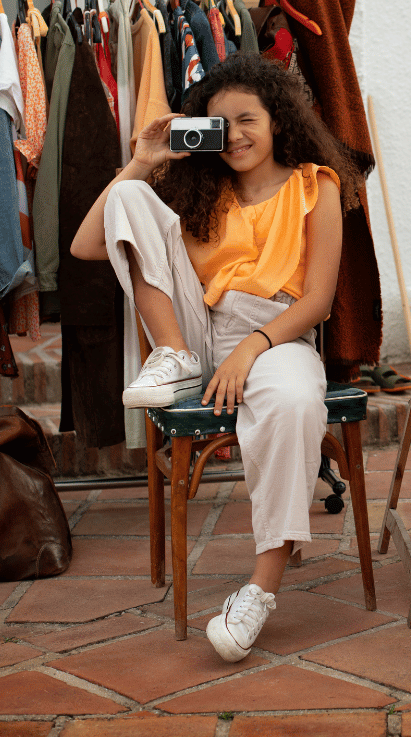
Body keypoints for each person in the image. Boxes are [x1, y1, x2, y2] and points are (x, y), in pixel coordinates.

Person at [71, 52, 360, 662]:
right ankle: (170, 355)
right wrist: (142, 162)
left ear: (279, 119)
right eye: (219, 125)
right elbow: (87, 244)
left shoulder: (316, 184)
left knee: (294, 399)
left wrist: (253, 348)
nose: (235, 136)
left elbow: (320, 299)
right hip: (198, 328)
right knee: (129, 199)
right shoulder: (197, 188)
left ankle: (261, 585)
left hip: (276, 332)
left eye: (247, 119)